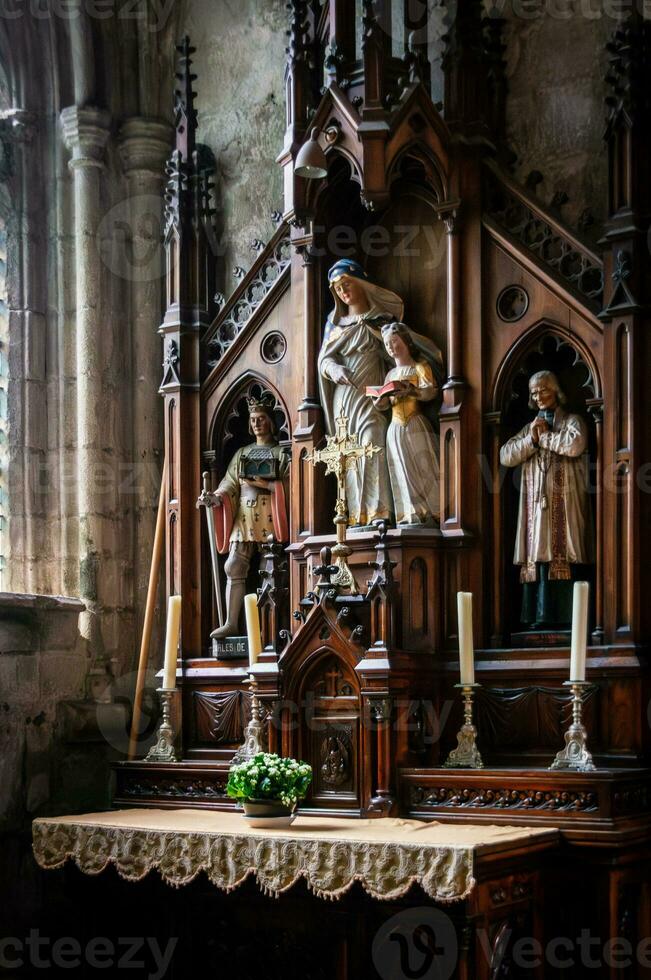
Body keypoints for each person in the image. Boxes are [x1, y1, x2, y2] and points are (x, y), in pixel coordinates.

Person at [500, 370, 594, 627]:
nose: (537, 396)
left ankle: (566, 617)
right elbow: (506, 455)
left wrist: (545, 438)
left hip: (565, 503)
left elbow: (576, 444)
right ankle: (537, 616)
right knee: (537, 552)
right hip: (534, 506)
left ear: (556, 390)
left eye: (542, 389)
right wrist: (531, 438)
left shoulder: (572, 421)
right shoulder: (530, 428)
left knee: (564, 550)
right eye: (533, 392)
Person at [317, 259, 403, 527]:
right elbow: (323, 360)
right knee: (350, 454)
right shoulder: (335, 324)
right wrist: (334, 369)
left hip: (372, 396)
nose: (343, 292)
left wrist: (394, 383)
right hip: (344, 397)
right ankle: (355, 516)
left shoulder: (382, 321)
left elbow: (396, 356)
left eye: (346, 285)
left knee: (373, 445)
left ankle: (378, 513)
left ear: (361, 283)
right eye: (338, 289)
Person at [206, 398, 289, 639]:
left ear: (271, 422)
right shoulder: (242, 453)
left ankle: (269, 627)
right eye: (253, 420)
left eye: (261, 419)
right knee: (233, 565)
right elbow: (229, 484)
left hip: (268, 515)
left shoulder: (280, 453)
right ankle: (232, 623)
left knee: (270, 569)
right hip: (243, 516)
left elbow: (290, 487)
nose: (256, 424)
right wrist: (215, 497)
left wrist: (265, 484)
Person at [368, 322, 443, 525]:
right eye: (387, 344)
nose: (391, 347)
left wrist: (411, 391)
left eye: (394, 341)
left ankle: (432, 512)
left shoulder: (419, 367)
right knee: (400, 469)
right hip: (395, 428)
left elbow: (430, 391)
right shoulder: (391, 375)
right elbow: (384, 404)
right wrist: (379, 400)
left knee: (422, 467)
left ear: (406, 341)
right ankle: (409, 513)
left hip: (415, 423)